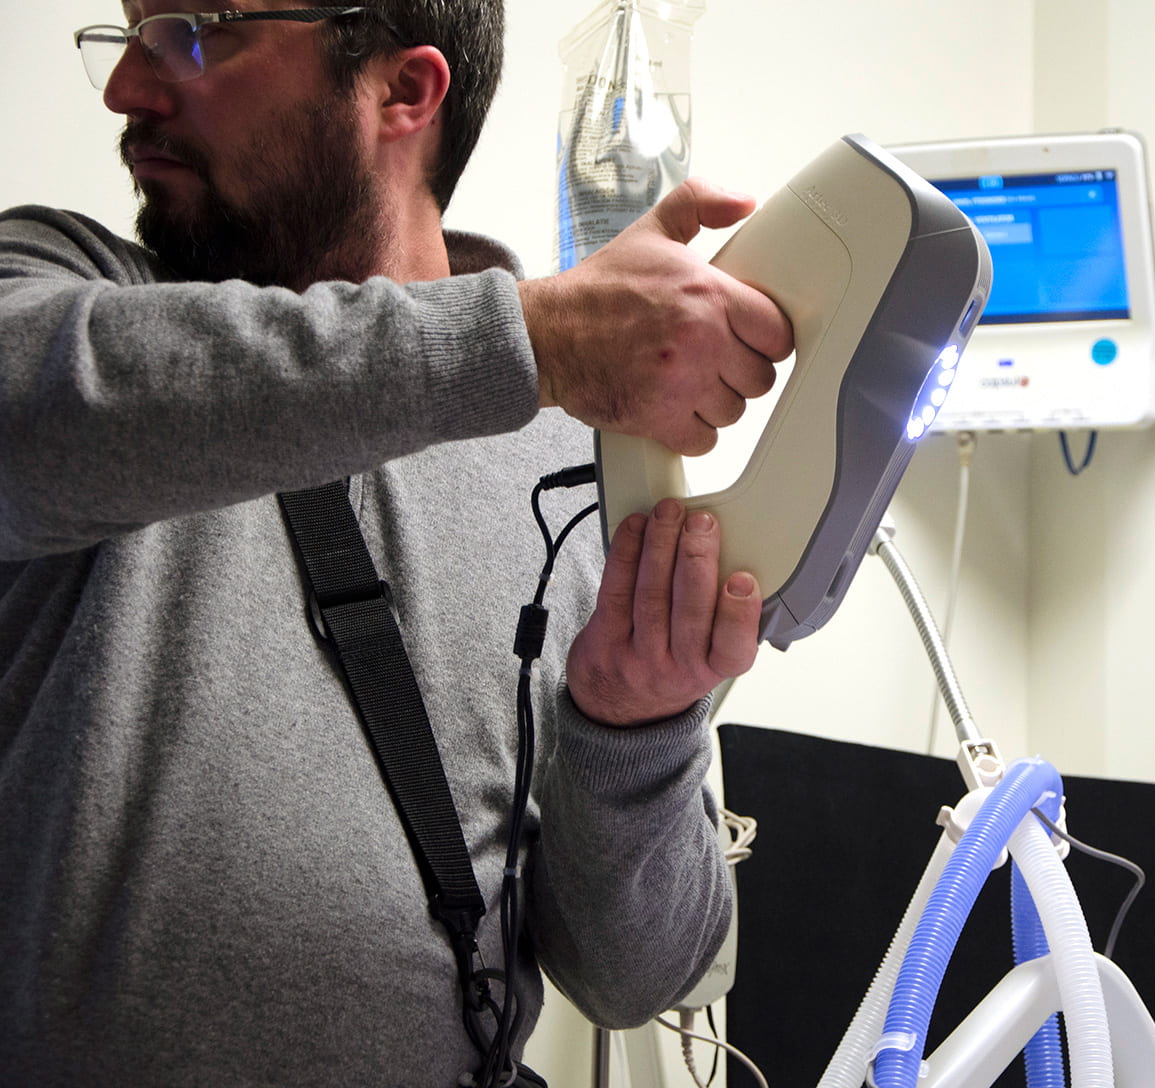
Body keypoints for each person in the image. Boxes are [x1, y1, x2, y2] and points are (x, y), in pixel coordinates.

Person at [0, 1, 793, 1084]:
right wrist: (527, 340)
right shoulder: (64, 297)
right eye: (129, 36)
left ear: (404, 92)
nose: (127, 90)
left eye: (192, 33)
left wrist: (635, 732)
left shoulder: (579, 444)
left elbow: (635, 977)